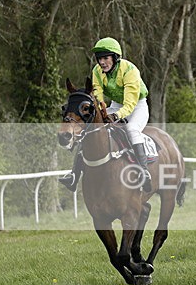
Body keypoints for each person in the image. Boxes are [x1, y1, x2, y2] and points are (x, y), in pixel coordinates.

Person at [59, 36, 152, 192]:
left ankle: (144, 170)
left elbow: (129, 104)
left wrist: (115, 117)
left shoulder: (130, 71)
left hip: (137, 106)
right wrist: (102, 112)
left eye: (105, 58)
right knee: (90, 127)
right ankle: (74, 174)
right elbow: (98, 95)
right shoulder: (97, 71)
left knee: (132, 129)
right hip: (115, 105)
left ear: (115, 58)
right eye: (99, 58)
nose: (102, 62)